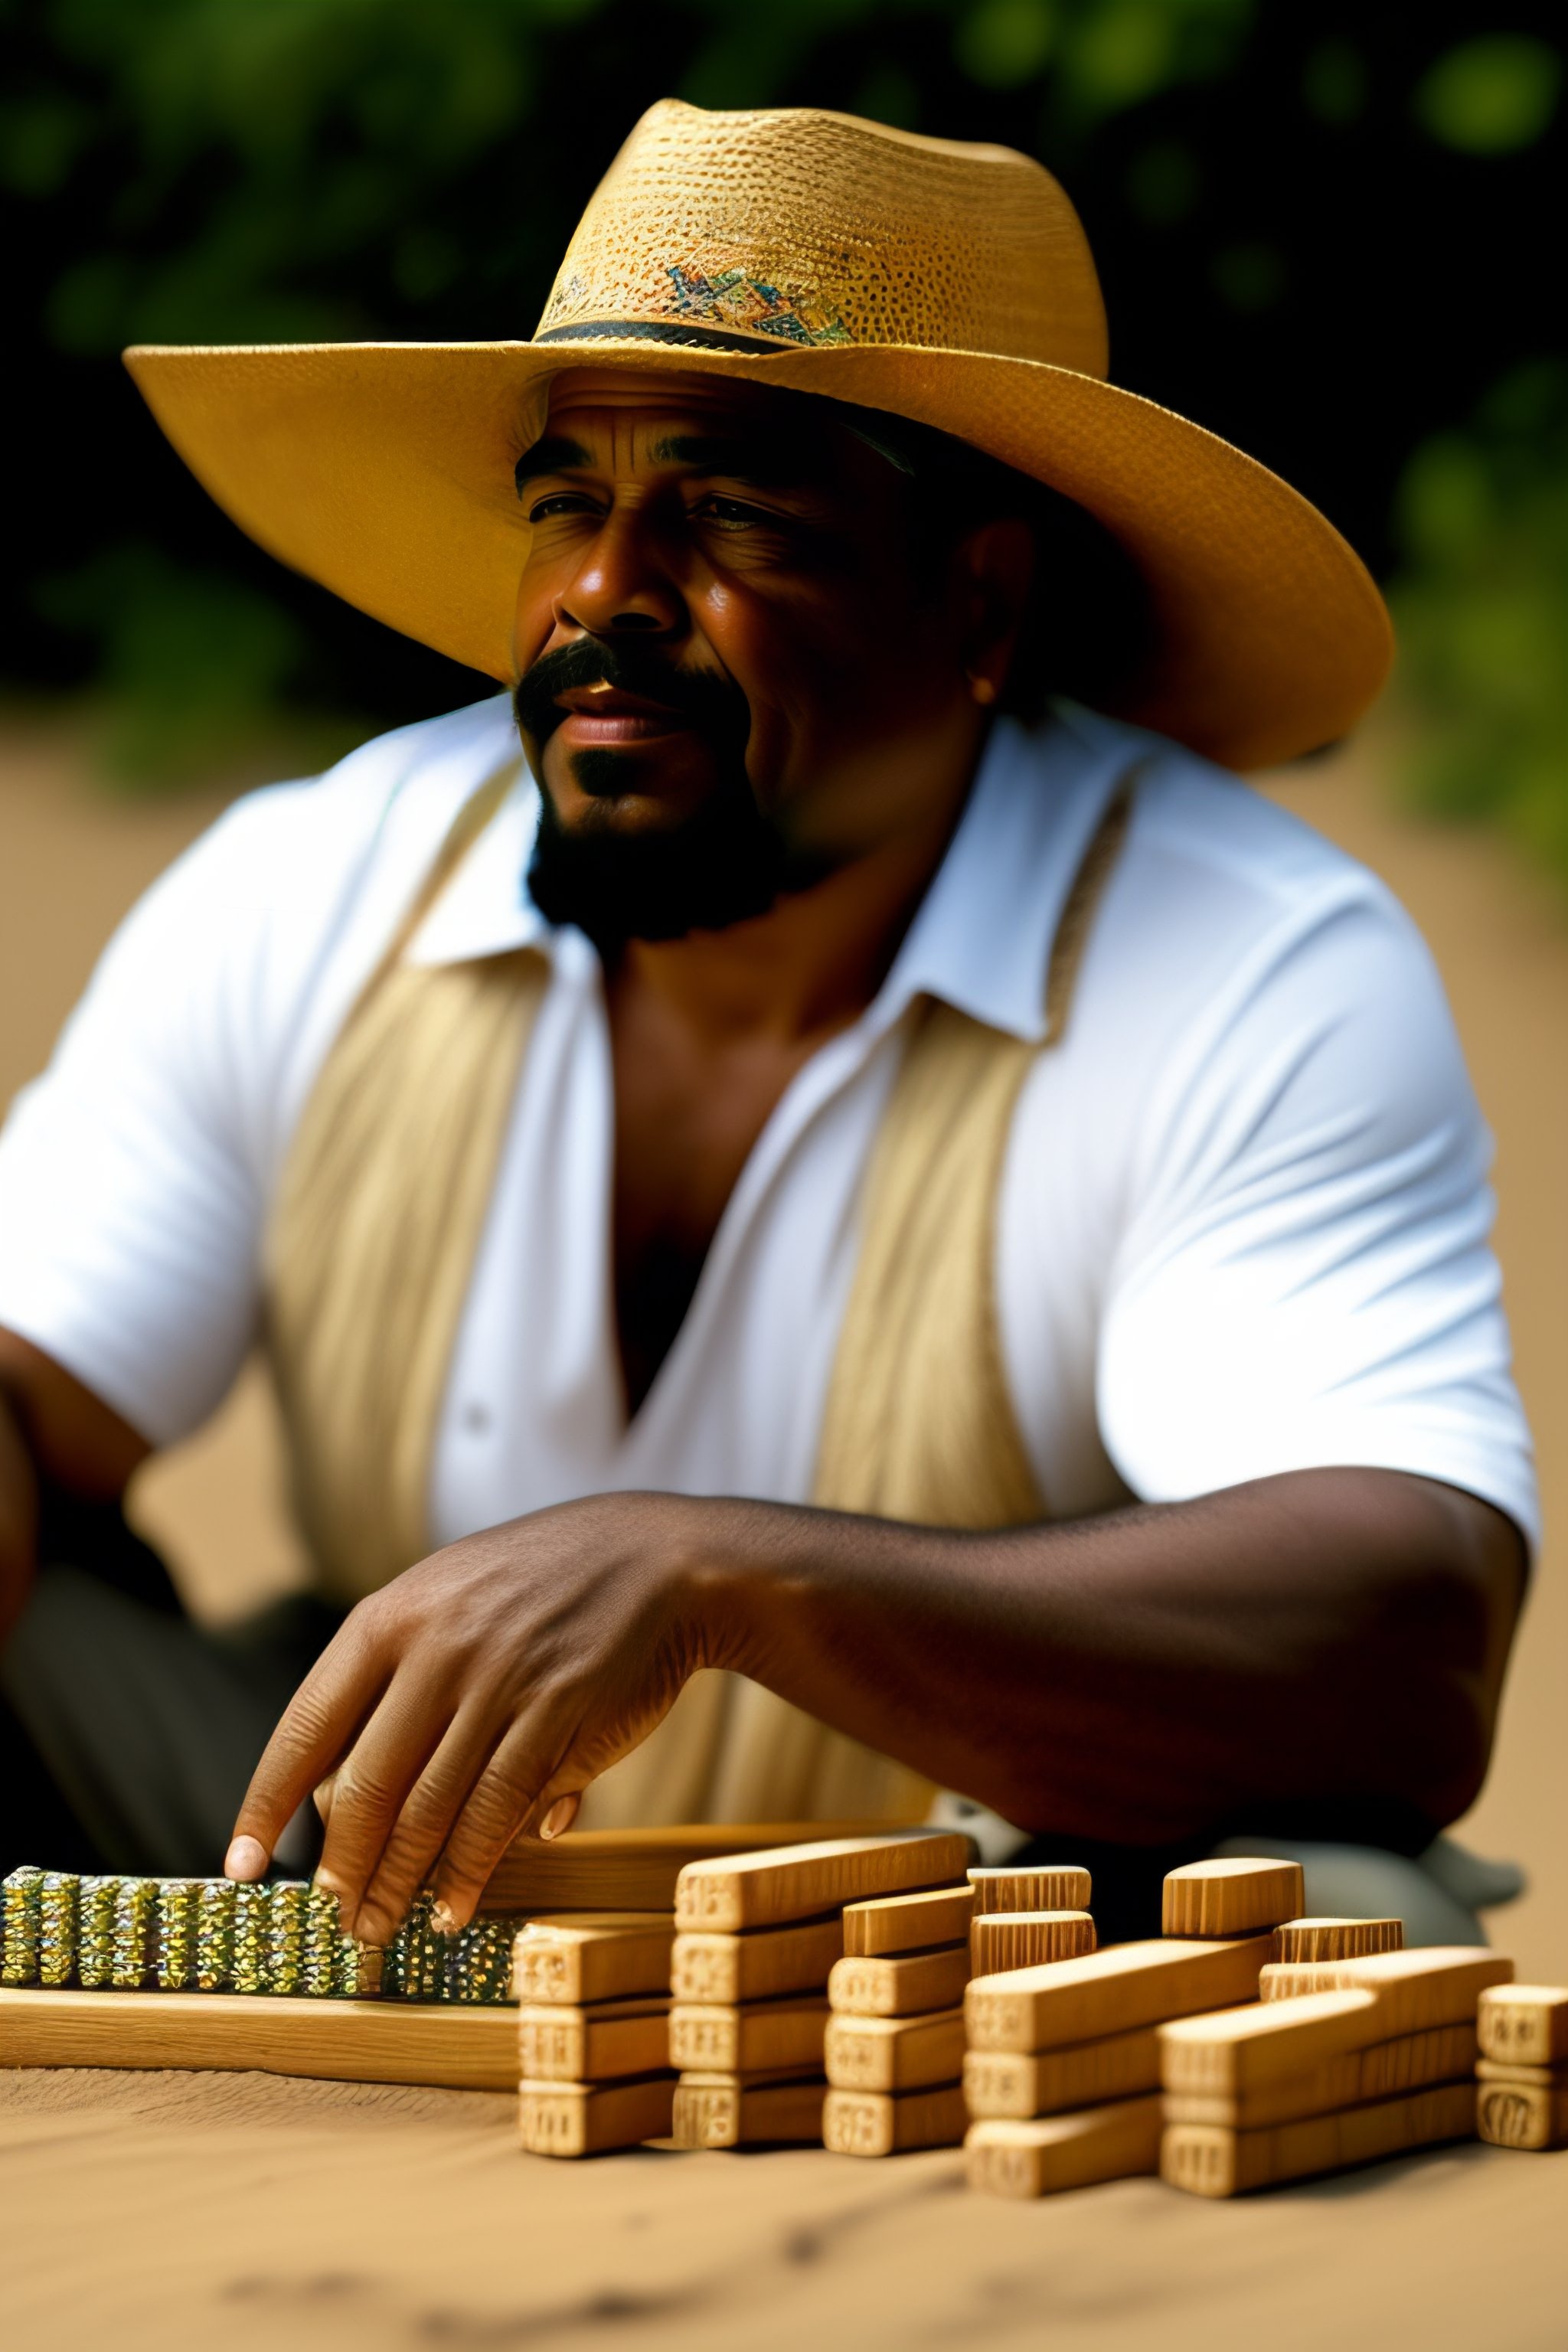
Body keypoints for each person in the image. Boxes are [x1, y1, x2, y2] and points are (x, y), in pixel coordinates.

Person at [0, 101, 1534, 1950]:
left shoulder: (1243, 963)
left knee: (1354, 1907)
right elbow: (31, 1394)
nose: (598, 596)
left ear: (979, 599)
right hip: (378, 1890)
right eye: (568, 504)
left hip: (954, 1936)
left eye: (728, 513)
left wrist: (724, 1576)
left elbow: (1406, 1643)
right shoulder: (319, 887)